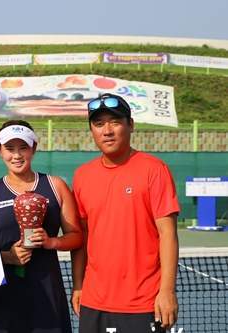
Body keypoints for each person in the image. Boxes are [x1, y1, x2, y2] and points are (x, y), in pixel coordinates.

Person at [71, 93, 180, 333]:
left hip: (143, 304)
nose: (107, 130)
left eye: (115, 122)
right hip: (94, 303)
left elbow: (168, 234)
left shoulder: (155, 170)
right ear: (92, 130)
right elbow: (82, 237)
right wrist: (78, 285)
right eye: (99, 124)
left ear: (131, 125)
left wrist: (167, 291)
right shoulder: (82, 176)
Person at [0, 120, 82, 333]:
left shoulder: (55, 186)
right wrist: (9, 257)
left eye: (23, 147)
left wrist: (52, 242)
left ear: (34, 148)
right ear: (0, 151)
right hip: (2, 297)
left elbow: (77, 237)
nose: (17, 155)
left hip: (48, 294)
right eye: (10, 148)